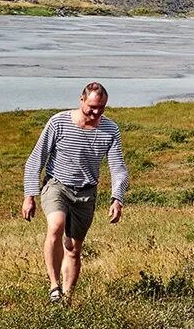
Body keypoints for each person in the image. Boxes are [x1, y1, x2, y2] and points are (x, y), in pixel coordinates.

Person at [21, 82, 129, 303]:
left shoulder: (110, 129)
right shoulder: (58, 122)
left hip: (86, 193)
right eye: (92, 107)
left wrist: (117, 198)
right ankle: (54, 286)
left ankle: (67, 298)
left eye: (101, 108)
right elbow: (36, 159)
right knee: (56, 226)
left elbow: (118, 168)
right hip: (57, 185)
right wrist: (29, 195)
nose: (96, 112)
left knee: (73, 248)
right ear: (81, 100)